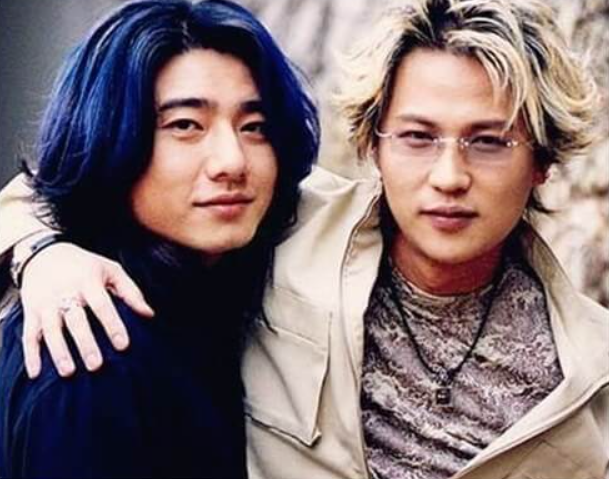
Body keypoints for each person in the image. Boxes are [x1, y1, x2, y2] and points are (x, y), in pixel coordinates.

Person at [1, 0, 608, 478]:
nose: (449, 177)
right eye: (418, 137)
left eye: (489, 141)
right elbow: (61, 181)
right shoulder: (293, 227)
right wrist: (43, 254)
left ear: (543, 161)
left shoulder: (593, 368)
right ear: (373, 145)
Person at [0, 0, 319, 477]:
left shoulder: (220, 296)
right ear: (110, 136)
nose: (232, 162)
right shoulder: (91, 346)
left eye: (255, 127)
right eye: (185, 126)